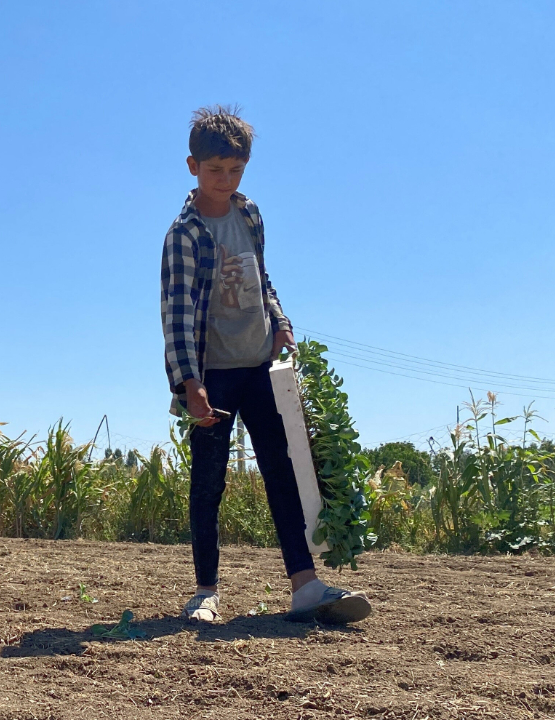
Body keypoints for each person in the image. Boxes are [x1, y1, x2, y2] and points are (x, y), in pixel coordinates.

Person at [160, 106, 370, 625]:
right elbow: (176, 314)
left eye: (236, 170)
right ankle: (205, 593)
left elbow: (263, 277)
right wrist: (189, 383)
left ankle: (305, 585)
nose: (225, 180)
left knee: (282, 471)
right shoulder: (184, 234)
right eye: (215, 170)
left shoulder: (250, 214)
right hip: (213, 375)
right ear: (192, 167)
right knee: (208, 483)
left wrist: (280, 321)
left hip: (260, 367)